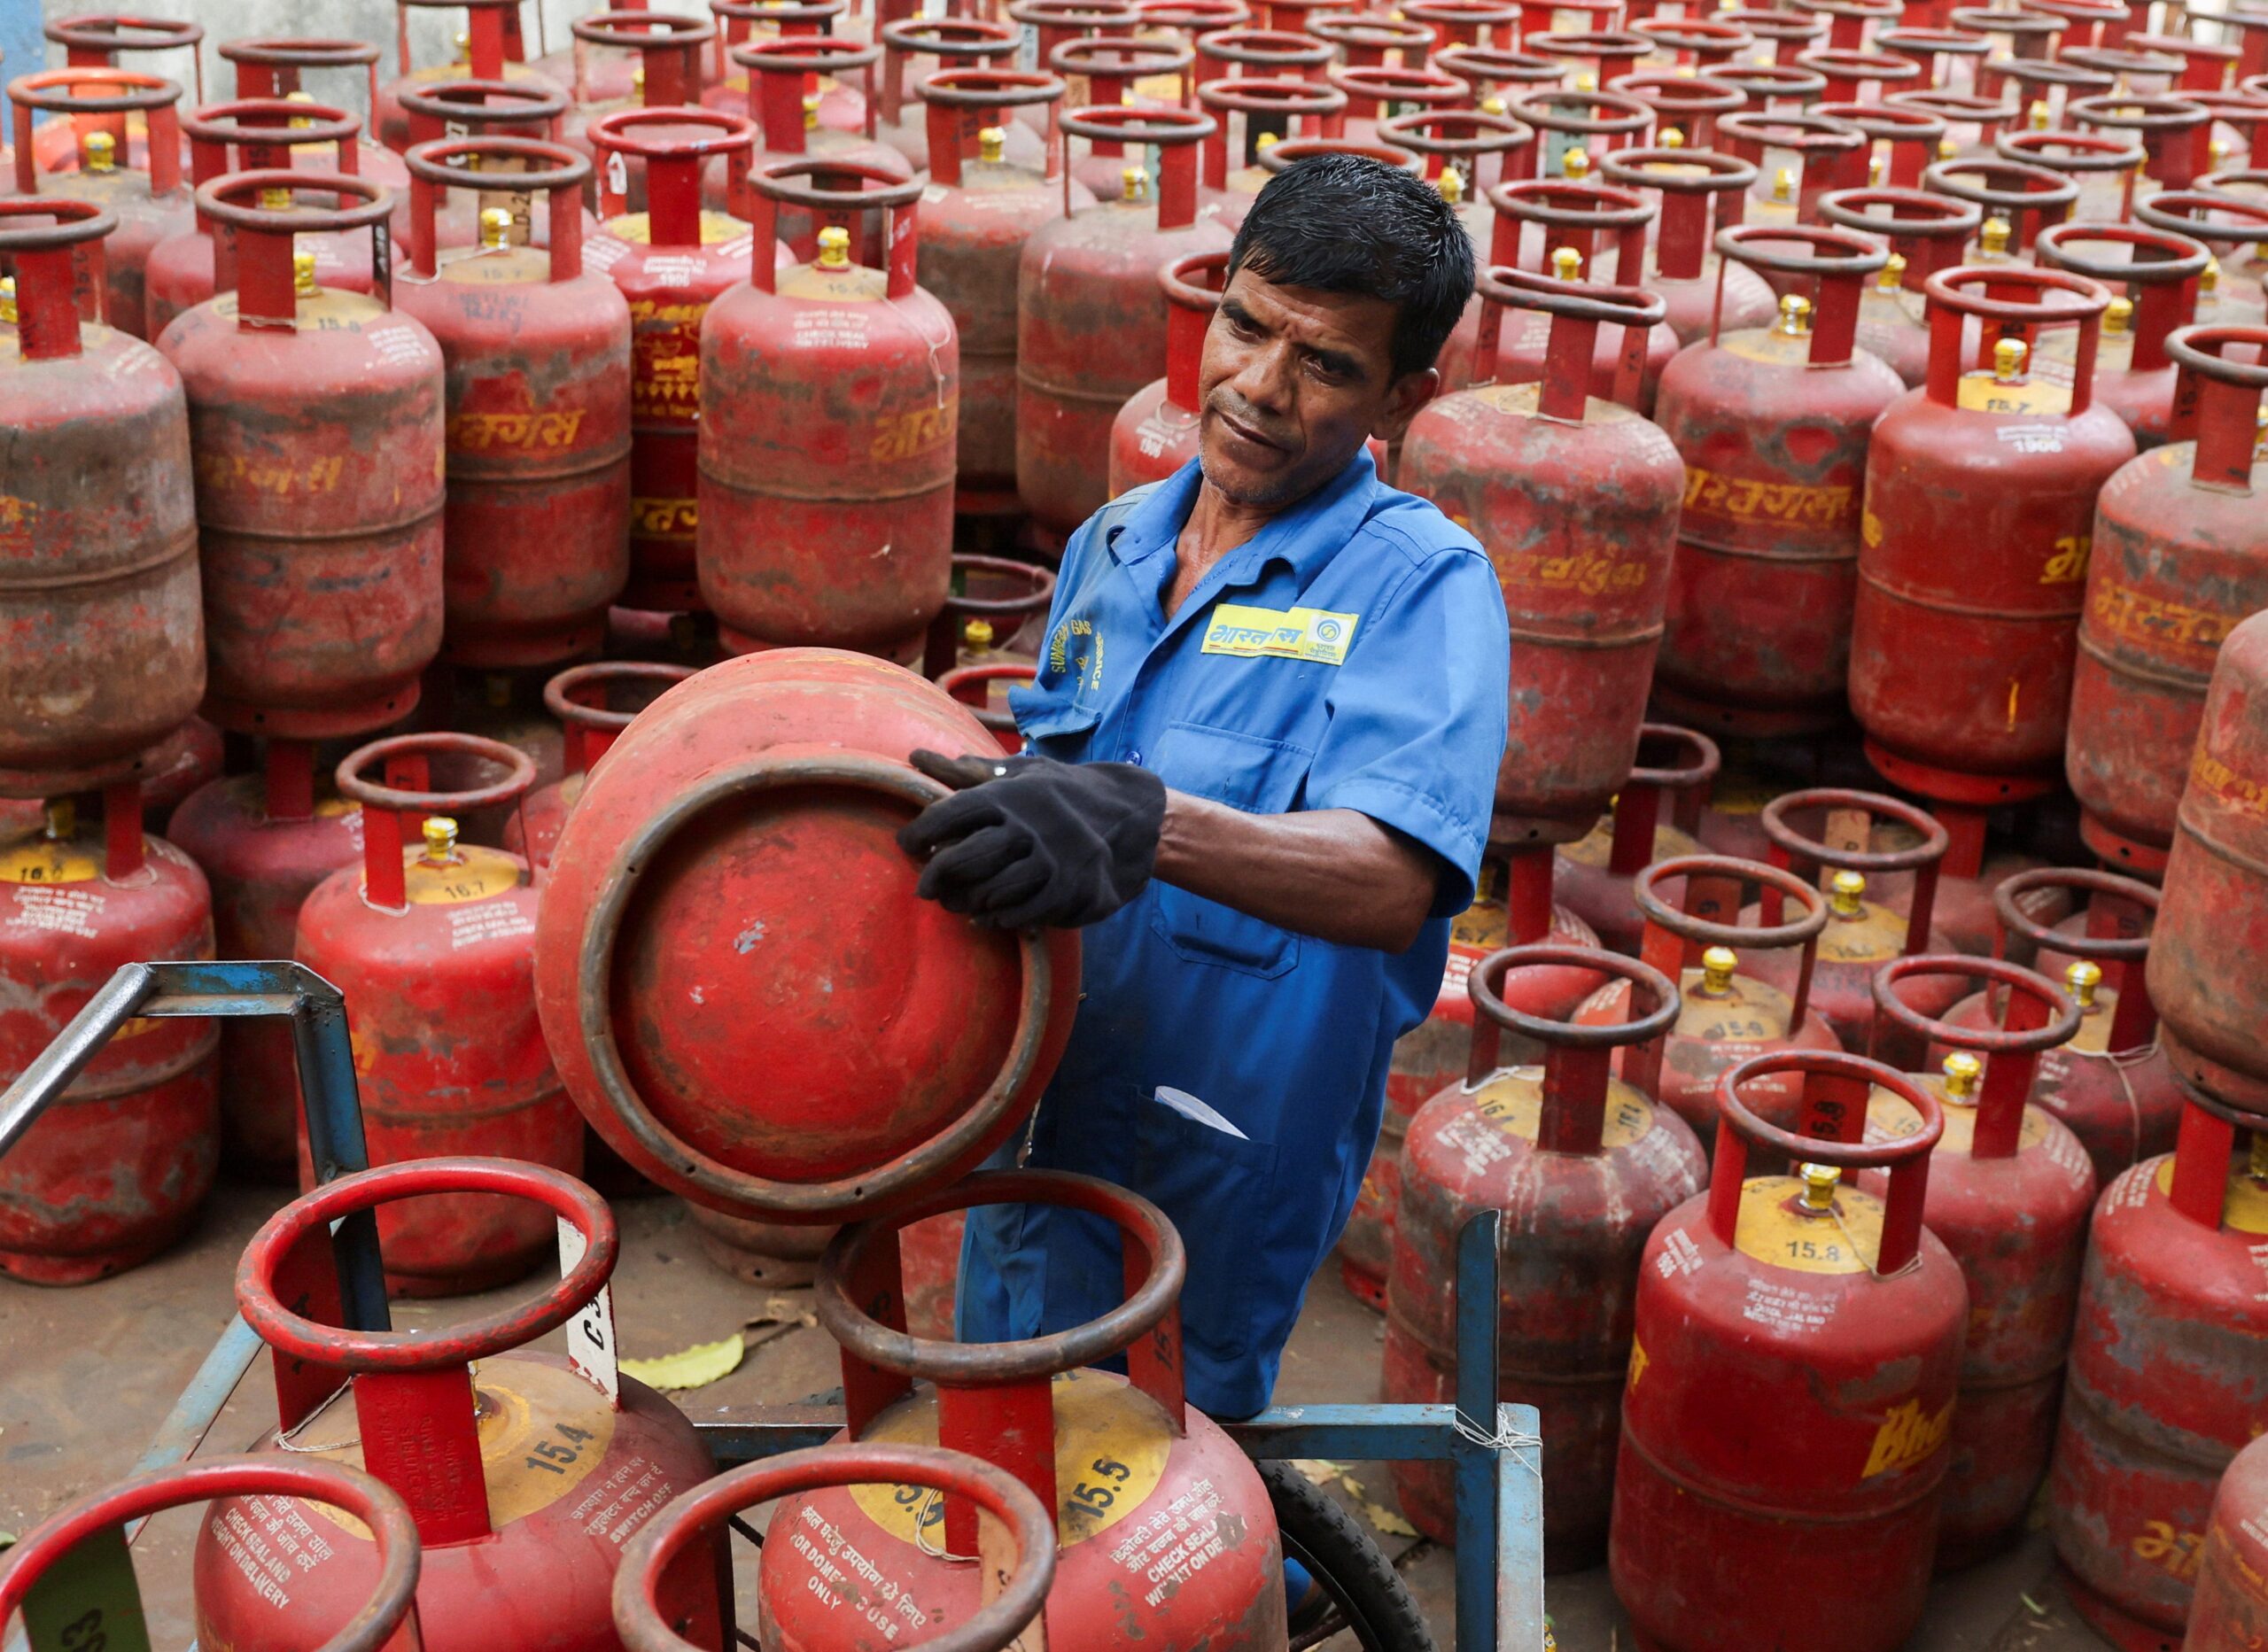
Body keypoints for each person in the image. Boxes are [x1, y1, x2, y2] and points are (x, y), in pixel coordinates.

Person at [899, 153, 1511, 1423]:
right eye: (1246, 325)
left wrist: (1150, 824)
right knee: (998, 1433)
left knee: (1170, 1507)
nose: (1258, 388)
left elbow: (1392, 879)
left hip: (1220, 1146)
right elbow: (1049, 808)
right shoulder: (1111, 545)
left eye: (1327, 365)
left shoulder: (1422, 588)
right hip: (1039, 1107)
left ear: (1404, 393)